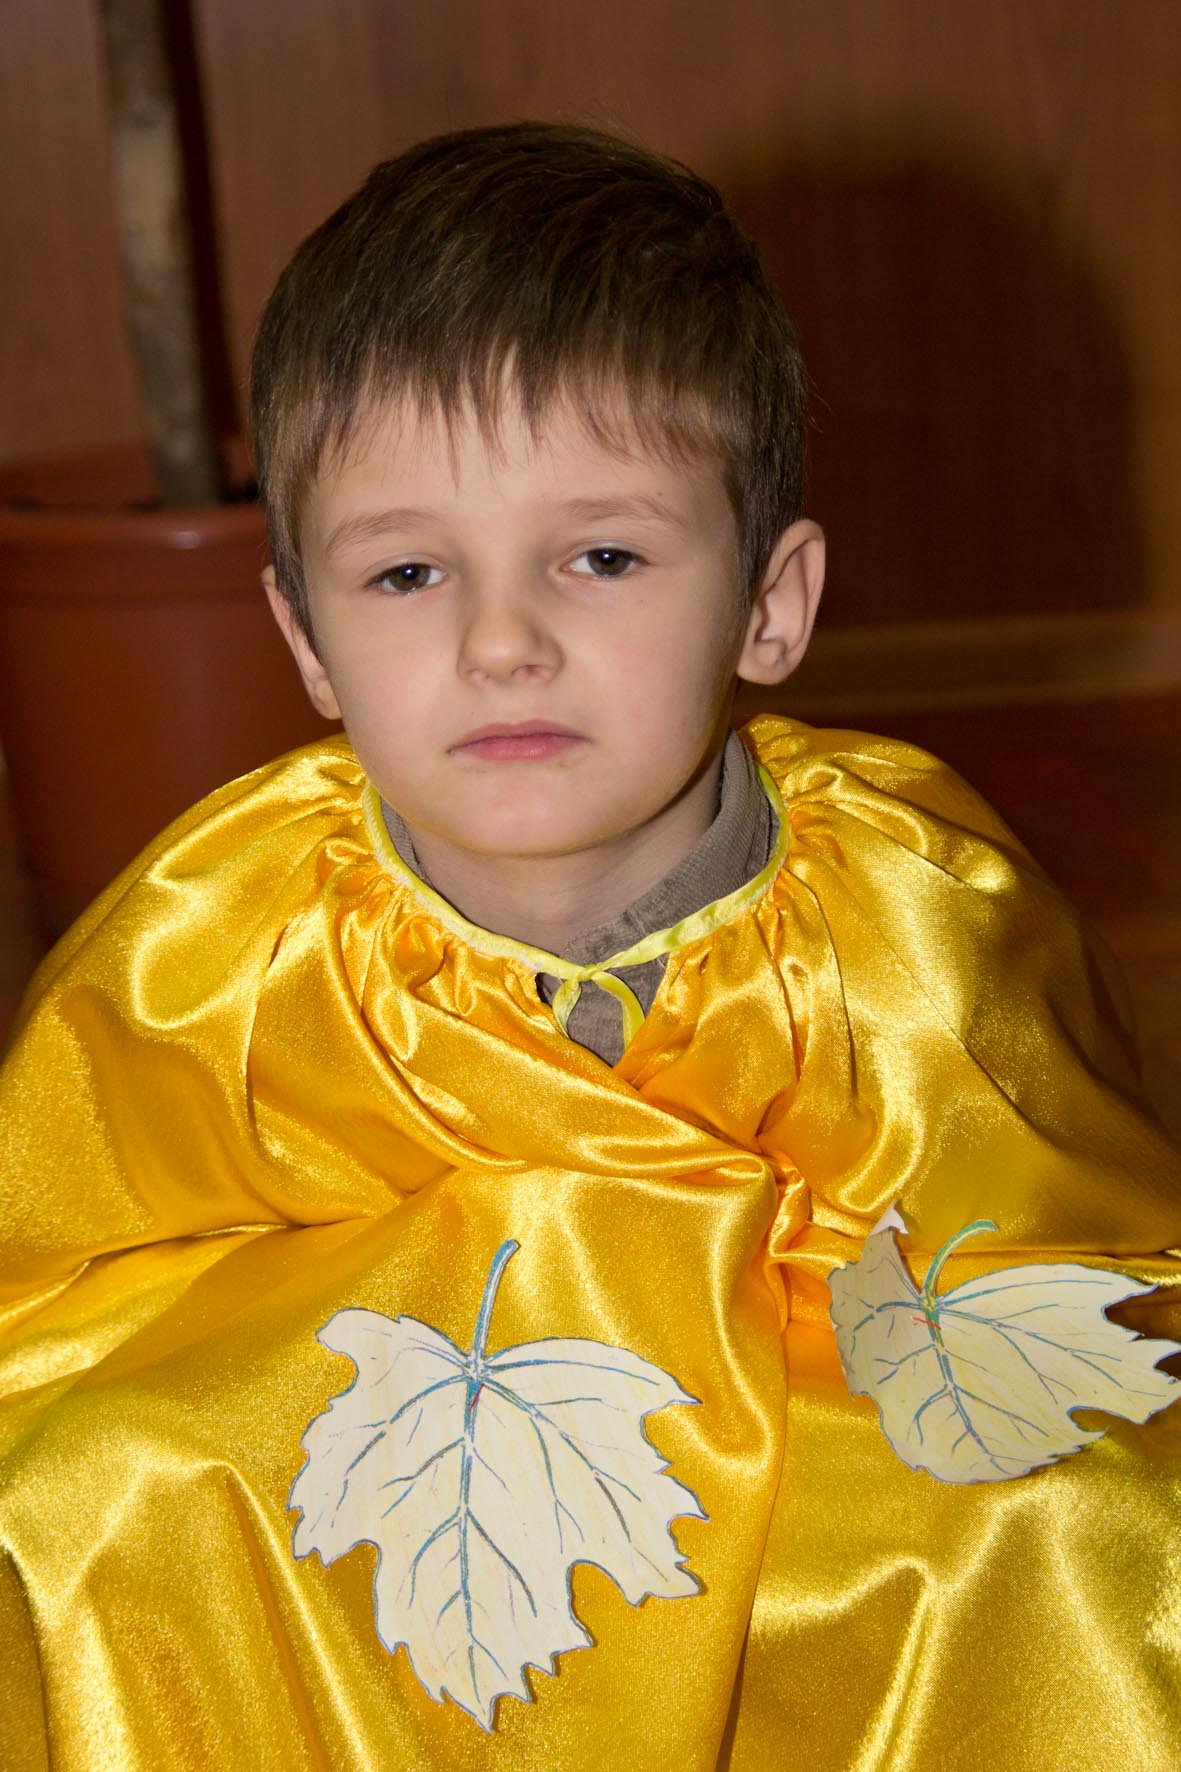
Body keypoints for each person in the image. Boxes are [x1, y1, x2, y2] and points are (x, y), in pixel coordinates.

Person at [1, 122, 1178, 1772]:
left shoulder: (913, 910)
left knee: (1073, 1521)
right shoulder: (219, 941)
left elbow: (1070, 1256)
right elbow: (59, 1274)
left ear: (769, 601)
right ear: (305, 638)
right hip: (371, 1453)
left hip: (805, 1452)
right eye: (407, 572)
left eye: (601, 556)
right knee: (91, 1484)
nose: (500, 641)